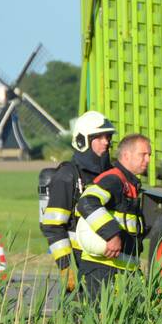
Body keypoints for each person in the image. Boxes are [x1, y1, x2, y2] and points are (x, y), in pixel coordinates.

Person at [39, 111, 116, 292]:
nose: (106, 141)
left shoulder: (111, 175)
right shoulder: (68, 176)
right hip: (79, 261)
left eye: (108, 136)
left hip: (108, 262)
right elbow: (52, 225)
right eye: (99, 137)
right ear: (82, 141)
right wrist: (67, 267)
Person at [75, 134, 152, 299]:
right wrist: (111, 234)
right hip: (102, 269)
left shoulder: (129, 183)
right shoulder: (113, 179)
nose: (148, 160)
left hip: (123, 269)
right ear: (126, 155)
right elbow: (87, 201)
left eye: (149, 155)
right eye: (143, 155)